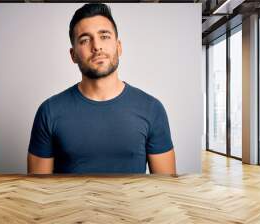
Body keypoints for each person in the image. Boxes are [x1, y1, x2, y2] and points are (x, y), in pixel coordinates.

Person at [27, 3, 176, 175]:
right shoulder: (49, 111)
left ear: (119, 47)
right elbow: (38, 191)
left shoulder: (152, 109)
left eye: (104, 36)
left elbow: (166, 188)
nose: (96, 46)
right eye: (85, 40)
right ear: (73, 55)